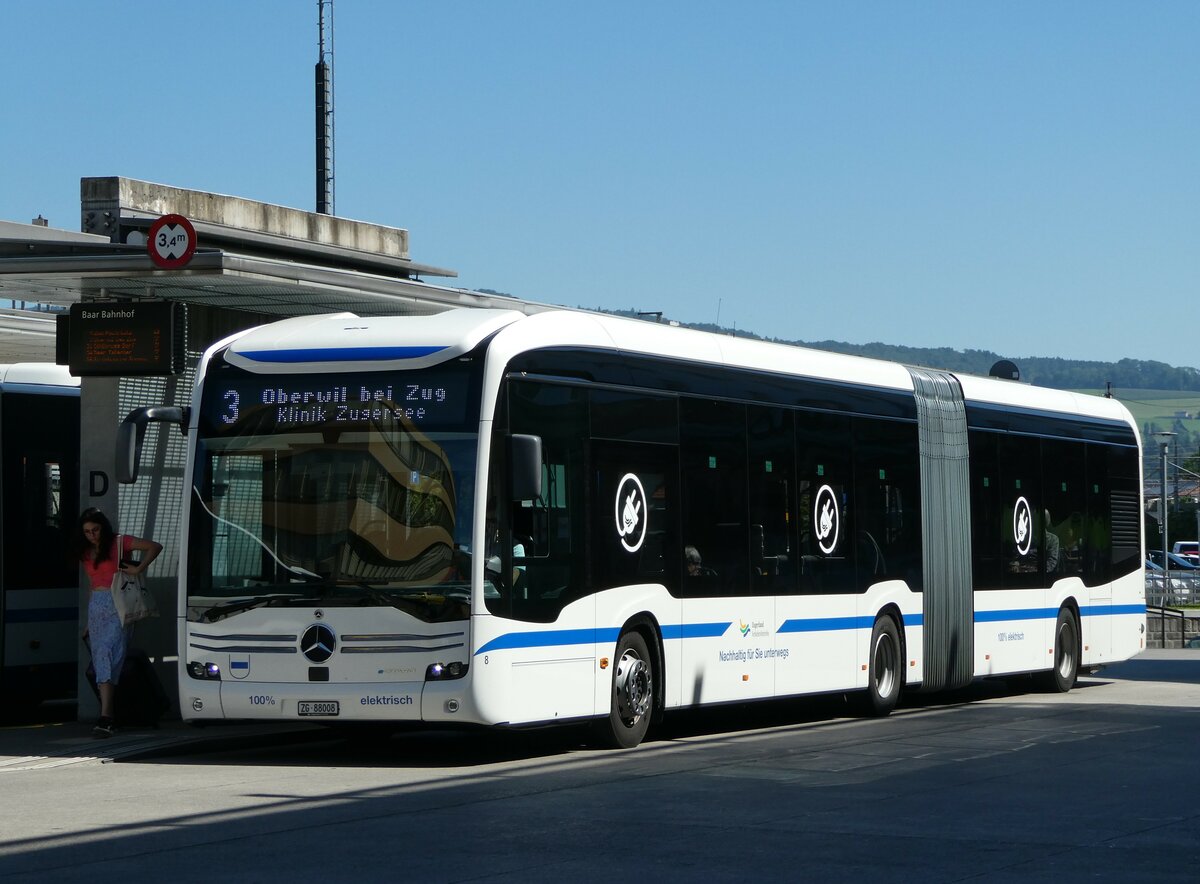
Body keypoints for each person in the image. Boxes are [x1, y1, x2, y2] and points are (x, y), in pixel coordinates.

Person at [72, 507, 162, 738]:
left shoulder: (119, 542)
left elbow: (154, 546)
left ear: (104, 527)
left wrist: (139, 568)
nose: (92, 535)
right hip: (98, 606)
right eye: (87, 532)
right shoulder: (85, 552)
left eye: (95, 530)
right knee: (103, 655)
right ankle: (109, 715)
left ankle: (107, 716)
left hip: (118, 604)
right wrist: (89, 622)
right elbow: (93, 585)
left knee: (110, 653)